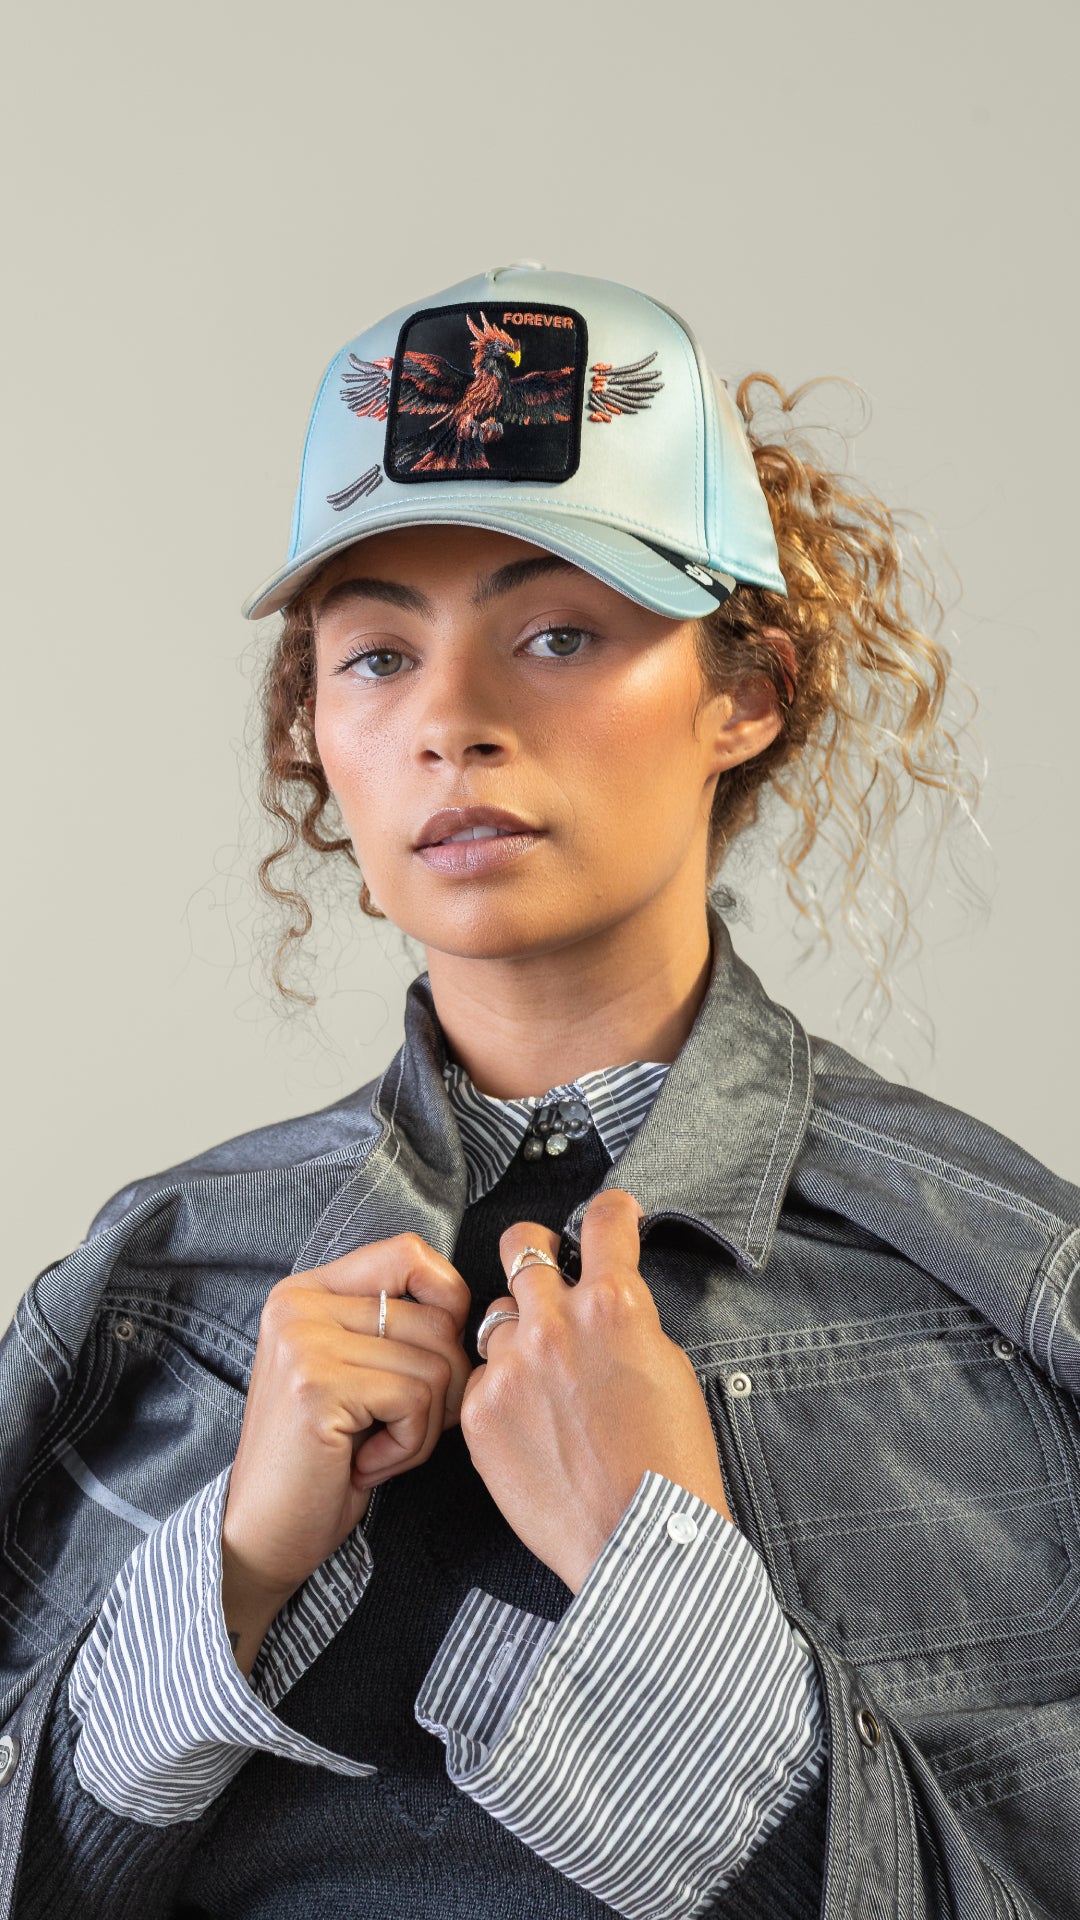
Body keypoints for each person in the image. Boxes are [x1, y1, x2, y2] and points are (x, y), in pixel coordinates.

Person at [1, 265, 1076, 1920]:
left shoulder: (1007, 1288)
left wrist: (665, 1583)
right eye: (377, 656)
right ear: (313, 735)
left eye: (559, 634)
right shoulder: (151, 1290)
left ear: (745, 692)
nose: (453, 722)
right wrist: (230, 1569)